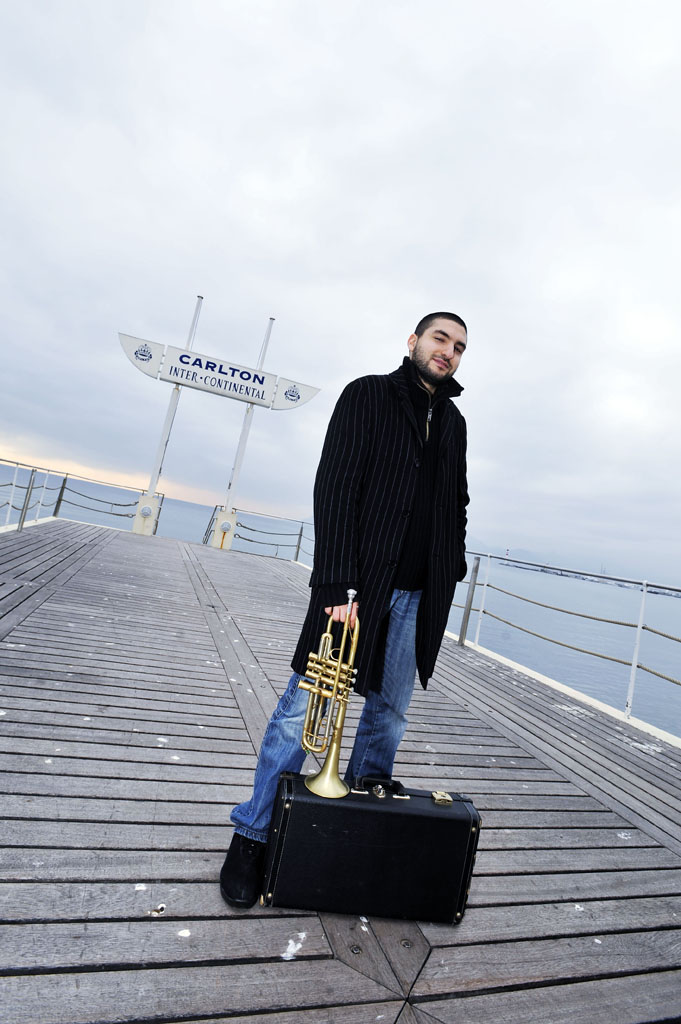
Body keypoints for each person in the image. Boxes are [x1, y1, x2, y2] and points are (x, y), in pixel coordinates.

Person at [220, 311, 470, 908]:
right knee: (300, 712)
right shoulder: (368, 394)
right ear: (413, 342)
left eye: (459, 346)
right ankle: (251, 837)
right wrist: (335, 585)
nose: (449, 351)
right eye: (440, 339)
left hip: (417, 596)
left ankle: (354, 831)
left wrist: (451, 563)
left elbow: (457, 500)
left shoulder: (455, 422)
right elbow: (333, 485)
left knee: (388, 718)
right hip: (356, 590)